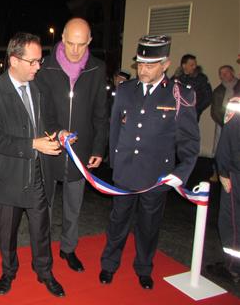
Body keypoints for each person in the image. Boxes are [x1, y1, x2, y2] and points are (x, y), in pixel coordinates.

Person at [99, 35, 200, 290]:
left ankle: (144, 268)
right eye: (140, 64)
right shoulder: (125, 90)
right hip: (125, 173)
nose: (142, 70)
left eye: (150, 65)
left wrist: (181, 173)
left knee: (149, 225)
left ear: (165, 65)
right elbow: (114, 131)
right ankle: (109, 265)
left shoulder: (179, 95)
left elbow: (189, 140)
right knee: (117, 222)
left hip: (156, 175)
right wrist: (115, 162)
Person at [0, 32, 65, 297]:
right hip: (9, 178)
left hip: (37, 175)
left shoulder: (39, 88)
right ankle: (8, 271)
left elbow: (48, 122)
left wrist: (59, 134)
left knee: (42, 230)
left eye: (40, 60)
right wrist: (33, 144)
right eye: (33, 61)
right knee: (8, 233)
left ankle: (45, 272)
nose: (38, 66)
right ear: (14, 60)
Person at [35, 17, 109, 272]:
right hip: (51, 147)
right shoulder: (46, 68)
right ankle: (42, 252)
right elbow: (42, 110)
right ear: (62, 39)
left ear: (89, 41)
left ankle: (68, 249)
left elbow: (101, 112)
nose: (75, 50)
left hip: (81, 150)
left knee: (73, 207)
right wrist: (57, 132)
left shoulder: (97, 68)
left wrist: (99, 148)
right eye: (70, 43)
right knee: (44, 205)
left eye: (81, 44)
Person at [207, 97, 240, 284]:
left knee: (232, 223)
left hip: (236, 173)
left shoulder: (237, 104)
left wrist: (224, 171)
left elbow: (229, 138)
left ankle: (233, 267)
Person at [210, 65, 240, 181]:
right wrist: (224, 123)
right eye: (221, 73)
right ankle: (217, 172)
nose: (223, 75)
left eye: (226, 72)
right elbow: (215, 110)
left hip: (238, 125)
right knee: (219, 148)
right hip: (222, 123)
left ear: (232, 72)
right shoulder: (218, 90)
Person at [173, 54, 212, 121]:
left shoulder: (201, 78)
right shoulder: (176, 78)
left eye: (195, 64)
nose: (194, 67)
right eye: (192, 65)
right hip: (177, 115)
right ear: (184, 65)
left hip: (192, 115)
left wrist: (196, 110)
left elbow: (208, 97)